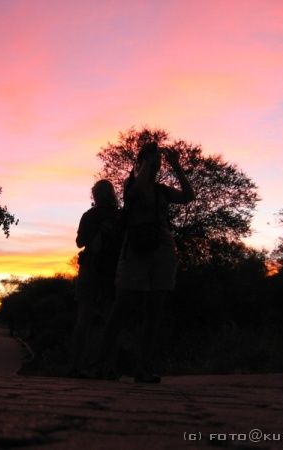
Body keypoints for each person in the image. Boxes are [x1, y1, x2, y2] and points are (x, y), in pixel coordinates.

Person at [94, 142, 195, 383]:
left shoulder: (162, 190)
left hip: (163, 250)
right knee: (122, 307)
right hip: (136, 250)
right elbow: (137, 191)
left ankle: (144, 367)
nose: (156, 163)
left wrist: (177, 166)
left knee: (154, 310)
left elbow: (188, 196)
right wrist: (146, 163)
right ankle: (103, 364)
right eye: (151, 159)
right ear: (141, 162)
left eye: (157, 160)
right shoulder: (132, 185)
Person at [68, 179, 121, 377]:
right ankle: (107, 368)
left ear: (95, 195)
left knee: (85, 318)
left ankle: (77, 366)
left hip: (92, 269)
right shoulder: (118, 216)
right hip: (110, 271)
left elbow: (80, 242)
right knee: (110, 320)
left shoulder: (90, 215)